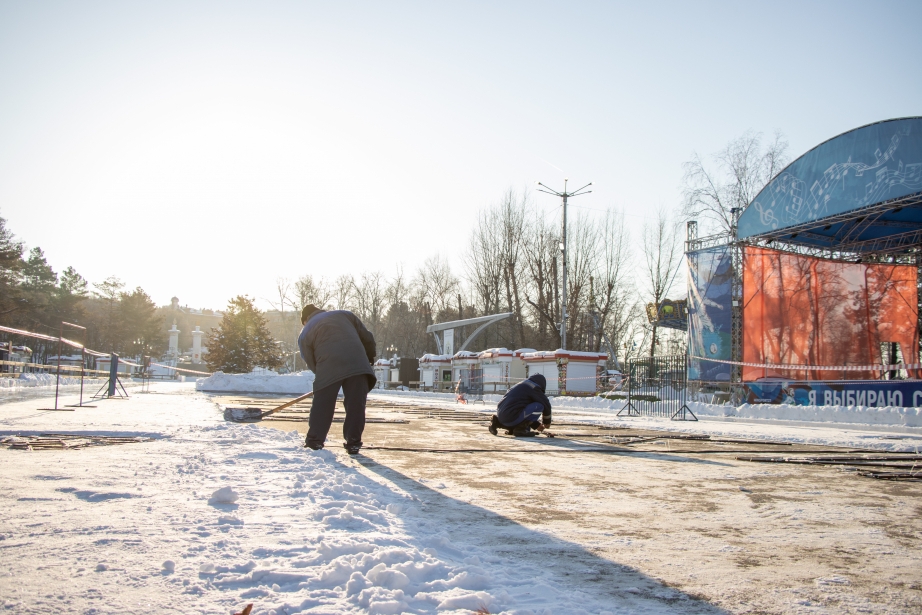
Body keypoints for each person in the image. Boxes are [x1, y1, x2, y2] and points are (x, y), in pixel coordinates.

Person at [297, 304, 377, 454]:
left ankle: (315, 441)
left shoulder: (305, 331)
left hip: (328, 365)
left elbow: (310, 360)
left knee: (323, 404)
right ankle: (353, 442)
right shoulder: (345, 315)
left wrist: (323, 378)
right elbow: (367, 338)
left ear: (306, 319)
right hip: (358, 363)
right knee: (356, 404)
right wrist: (369, 358)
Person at [489, 373, 553, 437]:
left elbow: (520, 406)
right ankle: (521, 429)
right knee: (539, 406)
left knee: (518, 410)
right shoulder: (534, 387)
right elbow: (546, 404)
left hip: (501, 416)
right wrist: (547, 422)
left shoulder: (520, 385)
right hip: (512, 416)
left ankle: (496, 422)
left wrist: (535, 425)